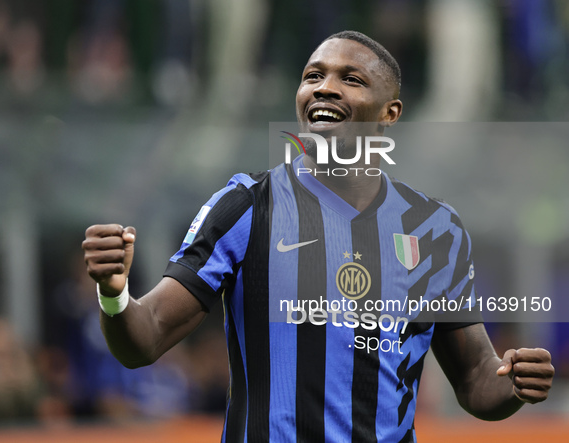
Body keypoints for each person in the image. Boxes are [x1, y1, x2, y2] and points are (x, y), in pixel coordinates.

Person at [82, 30, 554, 442]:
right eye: (313, 76)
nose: (325, 88)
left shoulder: (434, 228)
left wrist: (514, 384)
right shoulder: (248, 204)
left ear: (390, 113)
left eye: (351, 79)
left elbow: (474, 377)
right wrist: (114, 293)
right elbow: (146, 339)